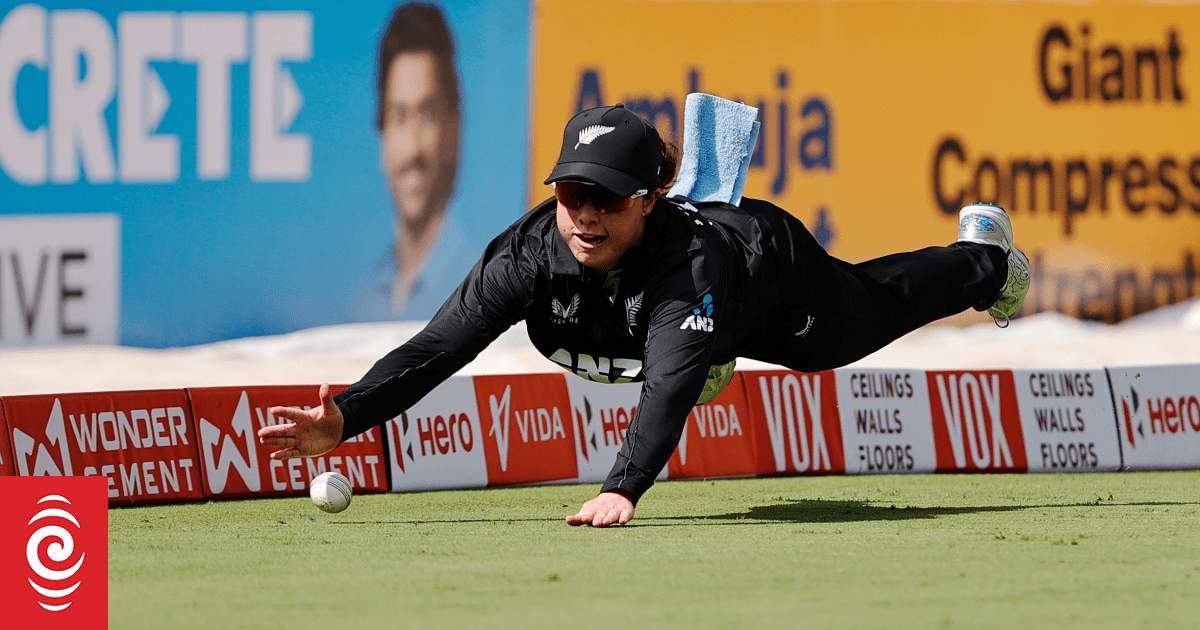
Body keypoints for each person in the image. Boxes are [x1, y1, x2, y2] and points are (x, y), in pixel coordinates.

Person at [261, 104, 1031, 527]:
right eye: (571, 194)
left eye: (607, 199)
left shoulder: (687, 268)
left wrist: (622, 486)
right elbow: (440, 346)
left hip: (766, 280)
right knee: (671, 348)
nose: (585, 215)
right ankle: (707, 354)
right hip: (655, 324)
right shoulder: (529, 254)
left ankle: (987, 259)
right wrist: (347, 415)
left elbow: (664, 391)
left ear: (649, 199)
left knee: (862, 319)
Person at [373, 2, 464, 318]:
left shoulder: (480, 284)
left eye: (427, 115)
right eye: (399, 117)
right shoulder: (363, 299)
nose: (413, 150)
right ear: (382, 134)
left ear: (453, 128)